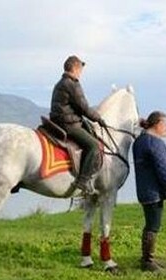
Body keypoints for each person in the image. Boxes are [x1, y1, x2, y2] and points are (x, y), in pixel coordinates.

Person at [50, 55, 108, 195]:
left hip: (59, 121)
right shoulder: (72, 83)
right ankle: (83, 180)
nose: (81, 72)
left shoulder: (61, 83)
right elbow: (84, 108)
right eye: (80, 69)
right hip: (68, 124)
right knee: (94, 146)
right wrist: (99, 119)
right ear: (75, 68)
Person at [132, 111, 166, 272]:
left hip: (143, 190)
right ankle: (147, 261)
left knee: (150, 224)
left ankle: (147, 258)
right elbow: (163, 170)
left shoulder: (139, 141)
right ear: (157, 124)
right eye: (165, 124)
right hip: (153, 191)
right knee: (153, 226)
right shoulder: (155, 143)